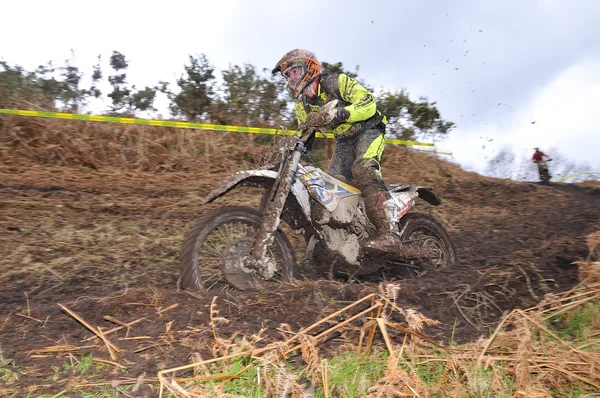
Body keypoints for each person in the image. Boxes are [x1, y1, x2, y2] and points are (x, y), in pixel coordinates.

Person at [272, 49, 399, 254]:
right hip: (344, 141)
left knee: (364, 169)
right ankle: (353, 237)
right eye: (287, 75)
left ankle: (389, 233)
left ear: (309, 68)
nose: (290, 78)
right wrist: (288, 149)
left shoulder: (335, 82)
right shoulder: (302, 107)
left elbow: (369, 103)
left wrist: (344, 113)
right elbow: (305, 136)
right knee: (329, 191)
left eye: (293, 72)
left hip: (369, 129)